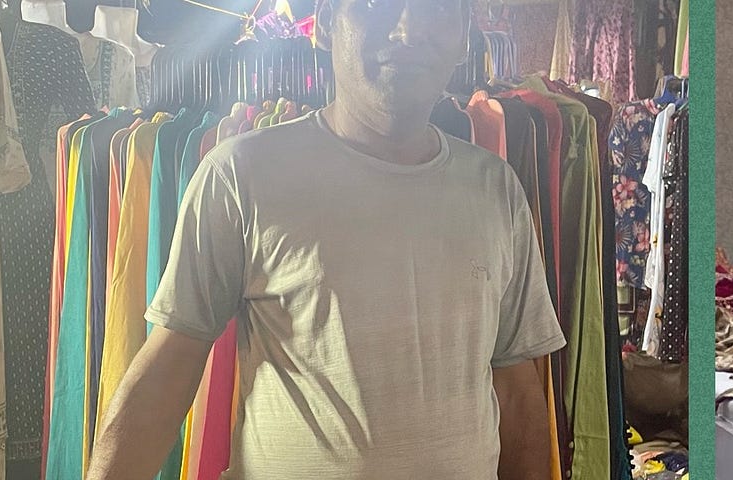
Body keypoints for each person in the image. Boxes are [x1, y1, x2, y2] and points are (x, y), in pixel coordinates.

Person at [86, 0, 566, 479]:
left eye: (436, 8)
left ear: (463, 38)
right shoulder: (242, 175)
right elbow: (165, 376)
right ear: (328, 25)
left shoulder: (495, 189)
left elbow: (517, 390)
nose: (406, 28)